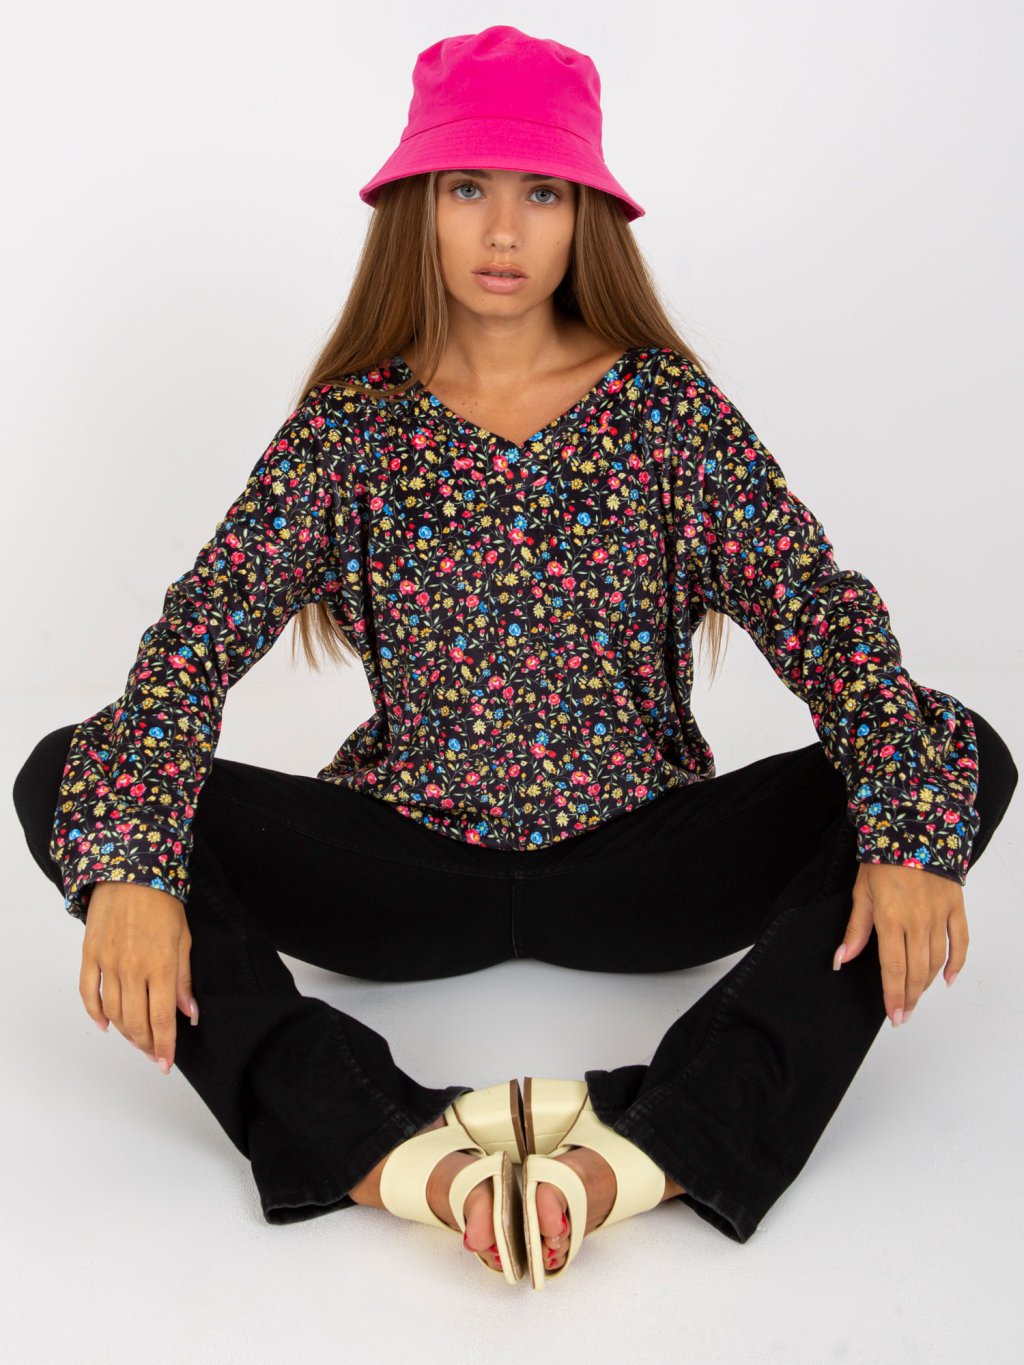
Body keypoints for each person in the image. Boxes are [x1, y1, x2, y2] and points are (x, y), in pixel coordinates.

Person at [11, 23, 1019, 1291]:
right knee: (75, 775)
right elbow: (193, 642)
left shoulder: (664, 411)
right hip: (403, 871)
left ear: (587, 214)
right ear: (416, 209)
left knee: (950, 753)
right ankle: (380, 1144)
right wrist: (133, 864)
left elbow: (822, 617)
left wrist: (910, 835)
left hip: (644, 865)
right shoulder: (352, 428)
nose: (502, 231)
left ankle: (655, 1144)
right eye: (467, 189)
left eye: (541, 193)